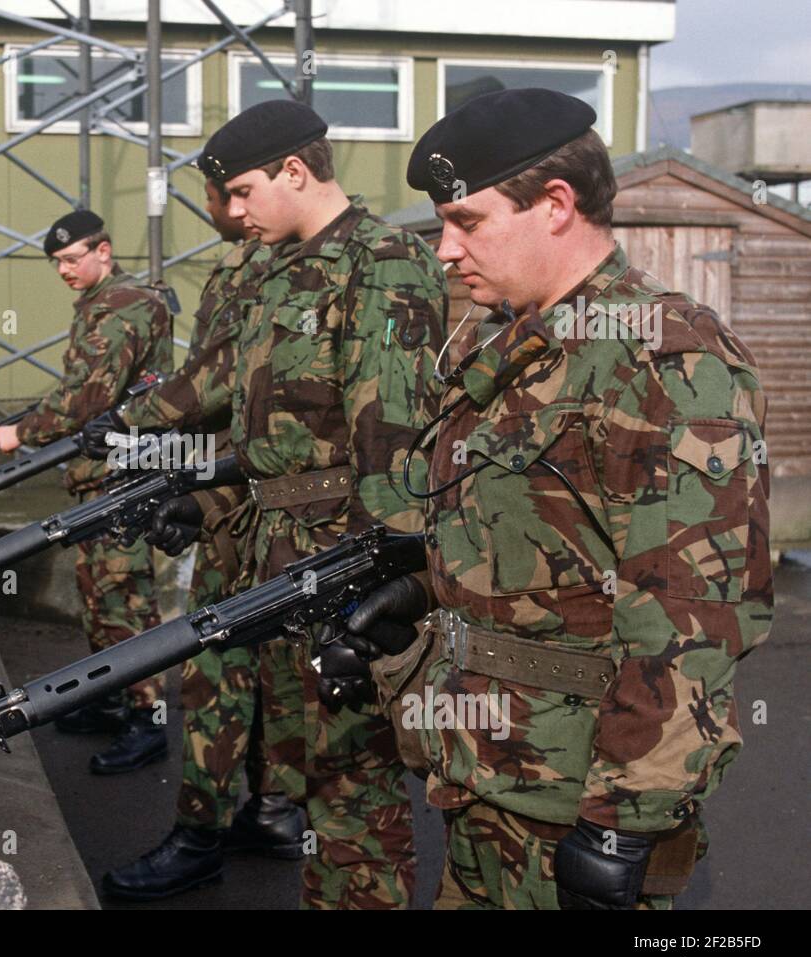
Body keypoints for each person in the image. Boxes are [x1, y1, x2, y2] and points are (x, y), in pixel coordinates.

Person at [331, 88, 774, 909]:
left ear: (557, 205)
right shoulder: (514, 346)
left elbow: (691, 615)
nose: (445, 252)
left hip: (575, 799)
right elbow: (533, 542)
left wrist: (621, 827)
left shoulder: (662, 357)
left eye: (467, 221)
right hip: (485, 772)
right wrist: (421, 585)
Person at [144, 100, 448, 908]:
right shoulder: (277, 270)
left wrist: (378, 593)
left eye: (242, 191)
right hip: (272, 557)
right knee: (310, 775)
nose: (232, 213)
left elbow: (393, 453)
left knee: (354, 790)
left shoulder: (381, 263)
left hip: (339, 567)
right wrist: (207, 503)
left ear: (295, 170)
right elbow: (274, 440)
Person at [87, 179, 307, 901]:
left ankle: (204, 834)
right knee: (263, 671)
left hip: (267, 512)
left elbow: (213, 384)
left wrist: (134, 426)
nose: (224, 212)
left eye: (226, 195)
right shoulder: (278, 263)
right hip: (247, 500)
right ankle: (269, 812)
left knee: (219, 670)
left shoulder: (265, 265)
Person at [0, 209, 174, 773]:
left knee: (124, 597)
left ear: (105, 250)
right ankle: (113, 697)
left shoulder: (123, 307)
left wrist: (20, 431)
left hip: (124, 476)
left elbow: (84, 400)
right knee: (99, 593)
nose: (65, 270)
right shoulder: (105, 305)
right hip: (103, 476)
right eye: (57, 263)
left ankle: (150, 719)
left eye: (73, 259)